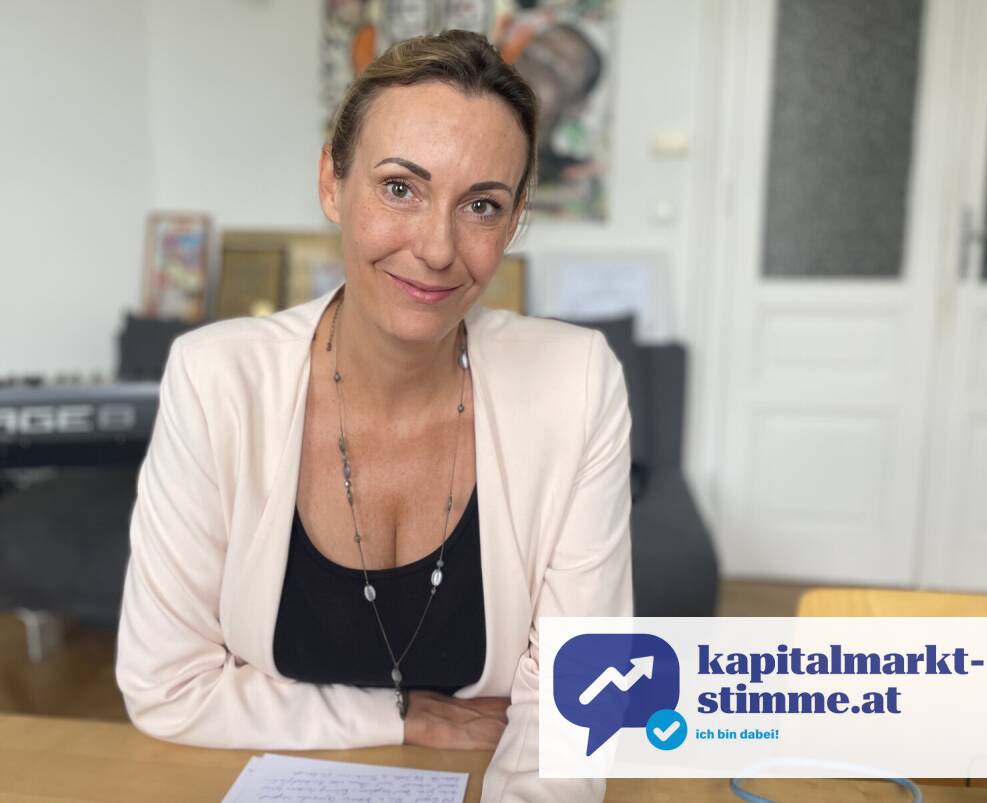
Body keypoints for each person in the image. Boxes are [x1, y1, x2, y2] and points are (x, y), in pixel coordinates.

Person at [116, 29, 632, 802]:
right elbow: (167, 685)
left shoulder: (577, 380)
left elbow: (580, 699)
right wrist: (398, 715)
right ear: (333, 182)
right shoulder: (217, 378)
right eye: (399, 188)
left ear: (515, 219)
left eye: (482, 205)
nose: (436, 247)